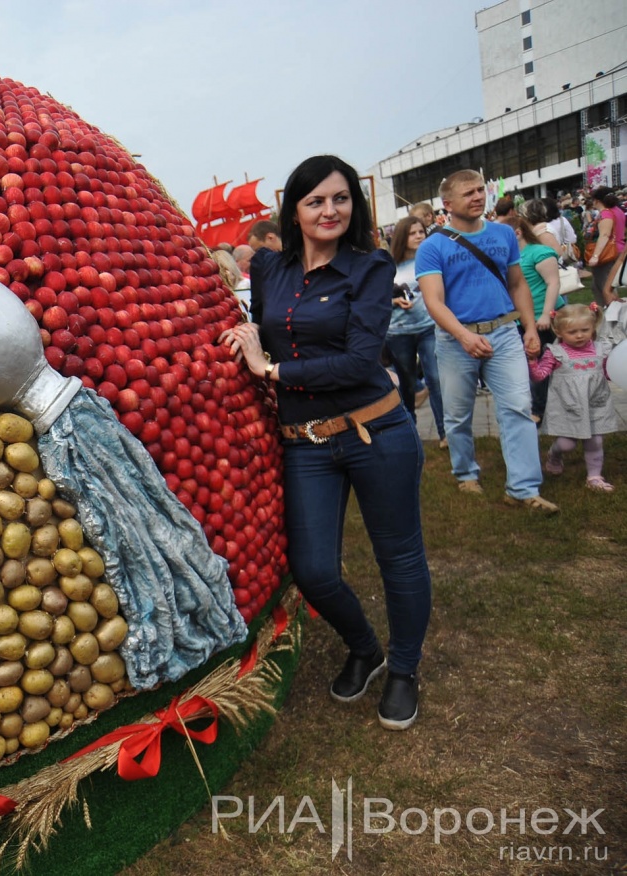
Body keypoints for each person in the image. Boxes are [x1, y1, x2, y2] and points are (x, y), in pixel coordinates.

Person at [221, 154, 431, 731]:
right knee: (313, 569)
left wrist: (272, 372)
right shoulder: (268, 268)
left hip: (376, 430)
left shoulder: (369, 266)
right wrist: (244, 338)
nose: (329, 210)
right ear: (294, 210)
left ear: (354, 205)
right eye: (315, 201)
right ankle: (364, 646)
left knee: (399, 558)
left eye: (340, 198)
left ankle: (404, 670)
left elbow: (361, 359)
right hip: (306, 443)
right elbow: (267, 330)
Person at [416, 169, 558, 513]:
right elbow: (434, 301)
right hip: (455, 340)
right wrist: (463, 336)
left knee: (518, 408)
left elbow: (517, 284)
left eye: (480, 190)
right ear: (447, 204)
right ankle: (465, 474)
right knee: (458, 414)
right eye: (469, 193)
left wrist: (528, 328)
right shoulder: (432, 246)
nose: (478, 197)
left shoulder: (502, 234)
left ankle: (523, 489)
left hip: (504, 333)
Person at [528, 304, 624, 492]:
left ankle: (594, 477)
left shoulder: (601, 349)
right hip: (568, 406)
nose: (579, 335)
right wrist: (532, 361)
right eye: (572, 332)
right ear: (559, 331)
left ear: (593, 327)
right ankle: (555, 455)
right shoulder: (555, 353)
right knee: (567, 444)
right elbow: (540, 375)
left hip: (596, 402)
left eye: (585, 330)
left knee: (595, 441)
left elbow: (608, 372)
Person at [385, 216, 446, 448]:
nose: (419, 236)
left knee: (436, 379)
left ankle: (444, 433)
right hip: (398, 332)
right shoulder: (388, 266)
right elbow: (376, 299)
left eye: (421, 231)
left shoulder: (431, 259)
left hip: (429, 327)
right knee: (407, 384)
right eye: (413, 233)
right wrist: (394, 302)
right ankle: (410, 432)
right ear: (402, 237)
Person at [498, 211, 561, 422]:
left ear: (517, 233)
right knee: (529, 365)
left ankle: (539, 411)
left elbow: (553, 284)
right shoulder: (508, 258)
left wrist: (546, 315)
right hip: (521, 319)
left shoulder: (539, 252)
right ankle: (536, 406)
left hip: (543, 319)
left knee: (542, 364)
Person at [586, 187, 624, 307]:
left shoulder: (605, 214)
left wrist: (595, 255)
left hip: (607, 253)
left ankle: (610, 316)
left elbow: (605, 235)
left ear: (597, 200)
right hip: (618, 249)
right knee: (606, 284)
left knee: (604, 287)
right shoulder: (618, 211)